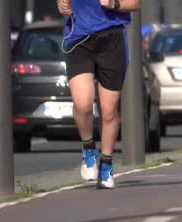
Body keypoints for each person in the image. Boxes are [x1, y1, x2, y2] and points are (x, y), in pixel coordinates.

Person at [57, 0, 141, 189]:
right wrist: (62, 3)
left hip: (112, 40)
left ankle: (106, 165)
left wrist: (114, 3)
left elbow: (135, 3)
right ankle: (88, 148)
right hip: (79, 39)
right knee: (83, 104)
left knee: (109, 110)